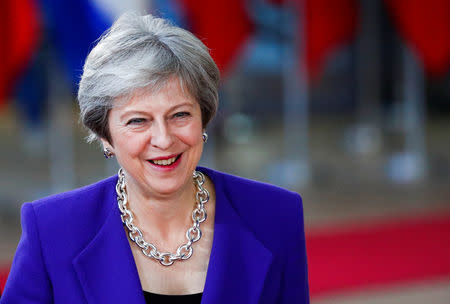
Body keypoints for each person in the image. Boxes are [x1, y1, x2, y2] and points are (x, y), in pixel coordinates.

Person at [1, 12, 309, 303]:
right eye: (138, 121)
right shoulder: (52, 230)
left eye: (179, 115)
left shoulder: (277, 216)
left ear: (204, 118)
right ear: (105, 135)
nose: (163, 139)